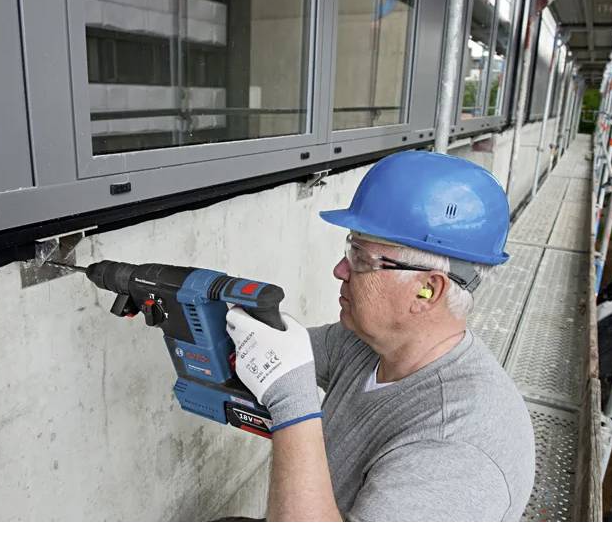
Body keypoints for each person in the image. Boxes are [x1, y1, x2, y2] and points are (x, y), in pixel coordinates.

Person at [225, 151, 536, 521]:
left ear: (427, 291)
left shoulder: (456, 449)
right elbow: (278, 351)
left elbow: (287, 380)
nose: (339, 270)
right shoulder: (369, 346)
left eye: (360, 257)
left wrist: (293, 404)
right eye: (348, 249)